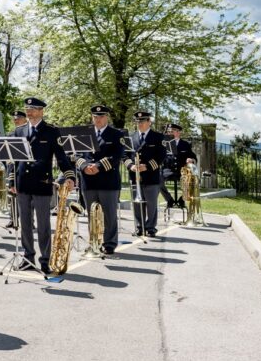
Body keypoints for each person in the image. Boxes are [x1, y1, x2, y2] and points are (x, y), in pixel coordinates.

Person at [11, 97, 76, 274]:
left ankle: (45, 260)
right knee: (24, 223)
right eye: (27, 108)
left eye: (33, 109)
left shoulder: (51, 131)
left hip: (42, 183)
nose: (29, 112)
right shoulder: (19, 131)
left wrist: (70, 176)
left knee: (43, 225)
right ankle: (27, 257)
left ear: (41, 111)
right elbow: (13, 160)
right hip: (23, 184)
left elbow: (61, 157)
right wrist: (11, 181)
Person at [76, 105, 123, 255]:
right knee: (91, 215)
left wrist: (98, 166)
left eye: (101, 116)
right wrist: (83, 166)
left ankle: (109, 244)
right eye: (95, 117)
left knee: (109, 215)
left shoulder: (116, 134)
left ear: (107, 117)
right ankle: (94, 242)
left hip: (107, 181)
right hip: (88, 181)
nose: (98, 119)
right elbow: (75, 154)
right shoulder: (85, 134)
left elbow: (117, 156)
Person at [125, 110, 167, 238]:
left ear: (149, 122)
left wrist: (147, 166)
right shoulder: (131, 138)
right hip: (135, 175)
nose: (140, 124)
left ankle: (151, 227)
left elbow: (161, 156)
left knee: (151, 203)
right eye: (138, 121)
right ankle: (139, 226)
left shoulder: (158, 137)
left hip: (151, 175)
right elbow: (125, 155)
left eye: (142, 121)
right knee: (137, 203)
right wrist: (131, 165)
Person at [161, 123, 197, 208]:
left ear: (178, 132)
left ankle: (182, 199)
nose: (170, 133)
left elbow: (193, 156)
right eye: (169, 131)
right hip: (168, 170)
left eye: (172, 131)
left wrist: (191, 160)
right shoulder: (164, 144)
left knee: (192, 181)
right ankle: (169, 199)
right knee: (156, 179)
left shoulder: (185, 144)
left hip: (182, 170)